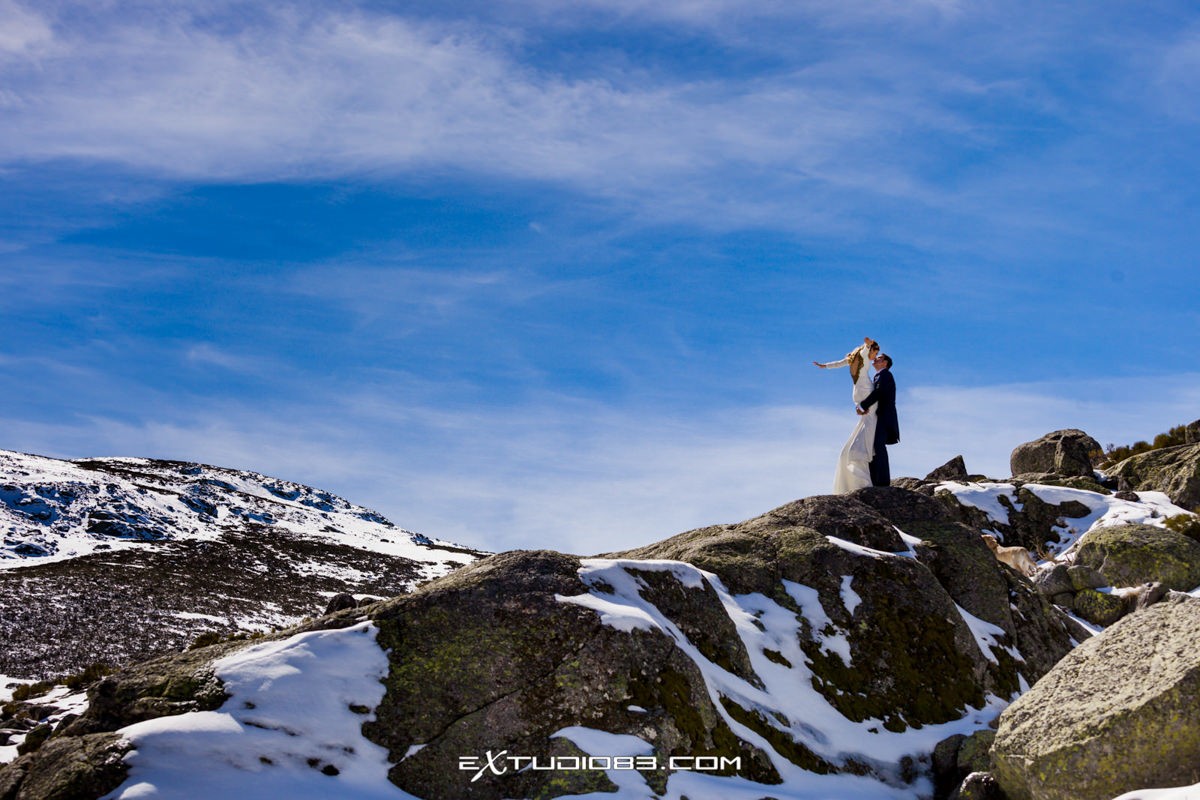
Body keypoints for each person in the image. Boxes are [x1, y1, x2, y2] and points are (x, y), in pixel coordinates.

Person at [814, 337, 879, 493]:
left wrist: (825, 366)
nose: (875, 357)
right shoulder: (862, 354)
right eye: (875, 353)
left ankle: (866, 458)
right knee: (868, 424)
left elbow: (839, 363)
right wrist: (868, 344)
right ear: (870, 350)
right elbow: (864, 351)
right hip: (864, 393)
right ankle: (864, 458)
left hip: (863, 395)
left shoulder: (854, 357)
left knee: (868, 425)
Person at [857, 352, 899, 487]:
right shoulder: (878, 376)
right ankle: (876, 479)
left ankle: (882, 481)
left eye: (879, 358)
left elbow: (878, 393)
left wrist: (863, 405)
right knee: (874, 446)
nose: (875, 359)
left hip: (884, 417)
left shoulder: (885, 374)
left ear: (885, 363)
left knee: (878, 446)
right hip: (879, 416)